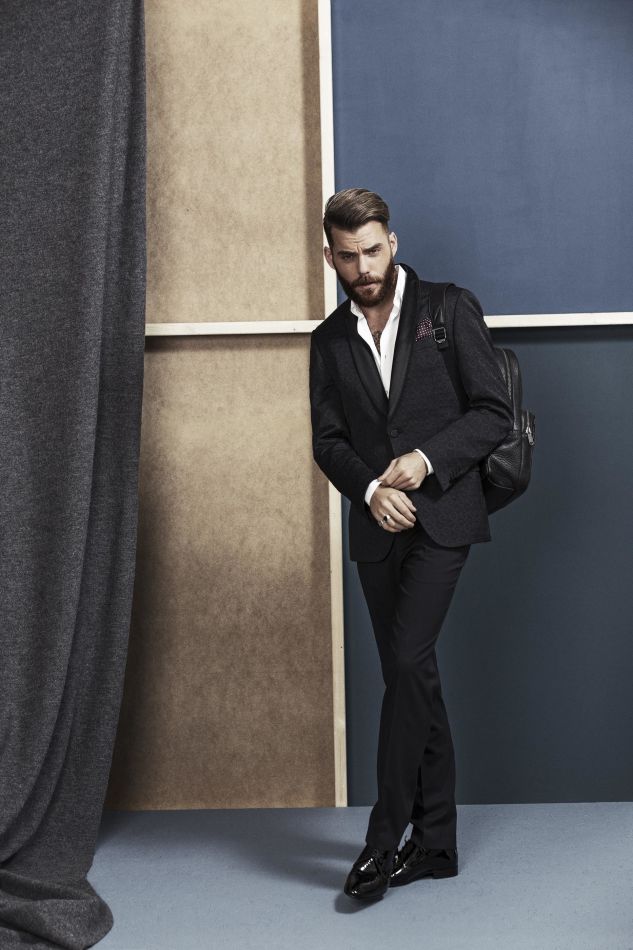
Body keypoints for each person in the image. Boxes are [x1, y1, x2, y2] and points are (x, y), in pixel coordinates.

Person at [309, 188, 513, 902]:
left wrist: (425, 462)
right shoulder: (328, 340)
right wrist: (370, 489)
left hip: (443, 516)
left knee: (405, 661)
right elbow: (327, 441)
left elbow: (492, 413)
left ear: (391, 243)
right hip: (377, 527)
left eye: (372, 250)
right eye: (347, 256)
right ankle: (437, 844)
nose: (362, 267)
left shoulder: (448, 310)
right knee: (414, 675)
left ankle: (381, 840)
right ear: (330, 256)